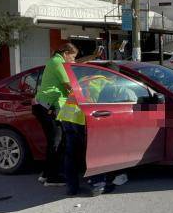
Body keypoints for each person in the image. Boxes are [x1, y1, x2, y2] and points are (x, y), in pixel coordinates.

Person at [33, 44, 105, 187]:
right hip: (50, 106)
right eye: (72, 56)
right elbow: (68, 85)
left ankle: (46, 174)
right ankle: (52, 178)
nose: (73, 60)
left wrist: (93, 56)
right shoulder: (57, 62)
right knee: (57, 141)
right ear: (66, 53)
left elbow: (76, 63)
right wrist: (85, 94)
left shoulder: (58, 60)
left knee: (54, 141)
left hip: (45, 105)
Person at [58, 74, 135, 196]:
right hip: (81, 118)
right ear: (114, 76)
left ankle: (71, 188)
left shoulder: (86, 78)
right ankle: (97, 185)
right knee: (95, 152)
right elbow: (107, 106)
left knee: (70, 154)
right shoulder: (108, 83)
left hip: (67, 116)